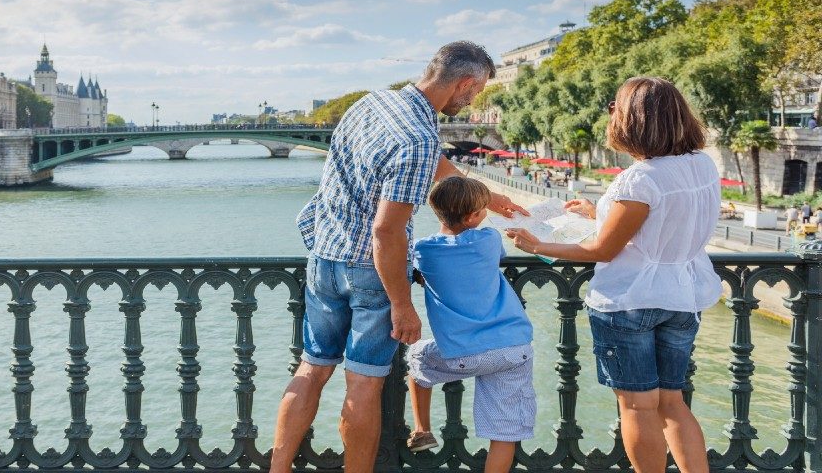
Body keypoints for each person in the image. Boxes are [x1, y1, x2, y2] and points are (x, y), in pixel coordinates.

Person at [273, 41, 527, 473]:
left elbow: (437, 166)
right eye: (478, 89)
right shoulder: (417, 141)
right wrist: (401, 304)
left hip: (323, 256)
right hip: (369, 271)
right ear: (465, 83)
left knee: (311, 370)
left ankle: (277, 469)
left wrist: (492, 196)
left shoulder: (374, 103)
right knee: (364, 384)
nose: (476, 98)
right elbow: (386, 232)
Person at [507, 77, 718, 473]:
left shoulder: (640, 178)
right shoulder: (701, 165)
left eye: (614, 108)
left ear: (632, 119)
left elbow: (602, 250)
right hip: (684, 296)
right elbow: (657, 221)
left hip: (630, 301)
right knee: (673, 403)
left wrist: (537, 246)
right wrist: (600, 211)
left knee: (638, 405)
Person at [406, 177, 535, 473]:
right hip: (513, 349)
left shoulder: (424, 250)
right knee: (503, 434)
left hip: (463, 354)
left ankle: (422, 429)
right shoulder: (488, 239)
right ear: (473, 217)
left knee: (416, 356)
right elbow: (495, 255)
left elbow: (415, 264)